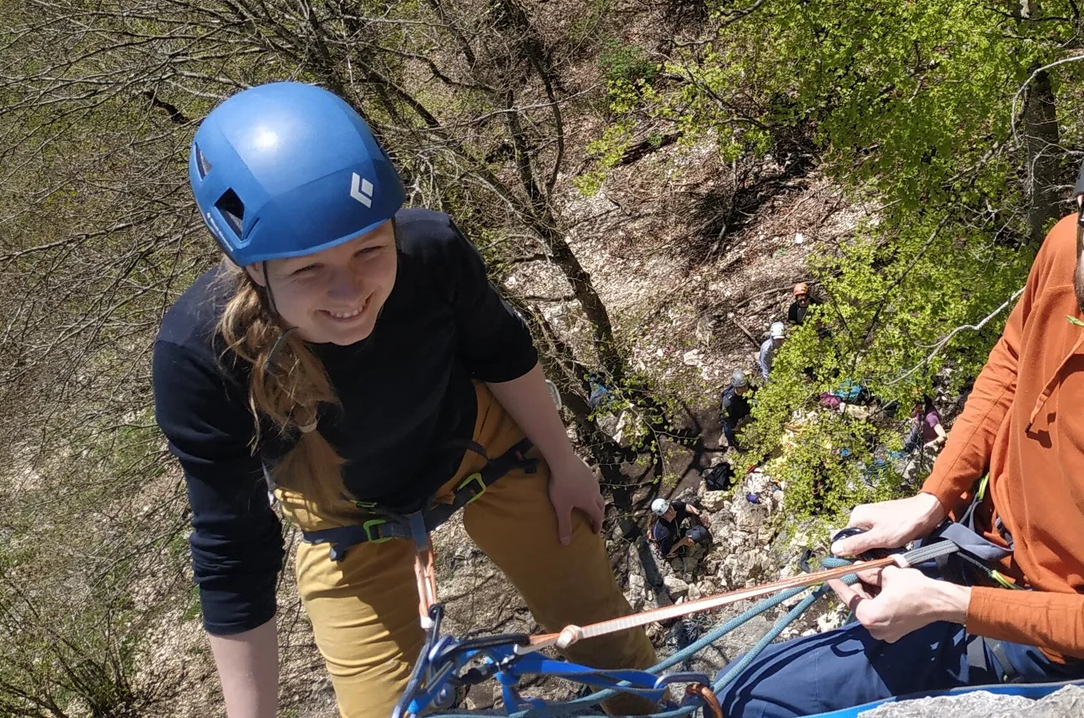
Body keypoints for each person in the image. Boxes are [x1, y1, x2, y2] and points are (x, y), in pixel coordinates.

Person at [717, 83, 1084, 718]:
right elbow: (1012, 358)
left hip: (1051, 655)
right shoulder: (1068, 254)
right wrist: (935, 497)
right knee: (740, 687)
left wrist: (947, 606)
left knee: (754, 707)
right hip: (979, 547)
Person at [152, 82, 655, 718]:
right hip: (344, 524)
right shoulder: (204, 358)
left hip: (484, 451)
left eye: (370, 250)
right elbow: (233, 547)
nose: (351, 291)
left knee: (612, 648)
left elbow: (502, 353)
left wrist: (564, 462)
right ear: (253, 268)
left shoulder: (431, 253)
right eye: (308, 269)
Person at [648, 497, 712, 562]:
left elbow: (684, 506)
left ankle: (694, 523)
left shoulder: (673, 508)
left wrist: (699, 514)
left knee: (691, 503)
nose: (671, 511)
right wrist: (681, 542)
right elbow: (664, 552)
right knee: (701, 532)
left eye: (669, 507)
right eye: (666, 512)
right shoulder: (665, 532)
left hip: (676, 529)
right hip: (674, 541)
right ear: (662, 516)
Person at [720, 371, 754, 449]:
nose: (744, 389)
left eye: (745, 386)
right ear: (736, 387)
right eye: (741, 387)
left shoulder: (750, 388)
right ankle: (732, 444)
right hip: (732, 416)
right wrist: (733, 426)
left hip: (743, 410)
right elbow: (726, 416)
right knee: (728, 428)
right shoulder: (728, 401)